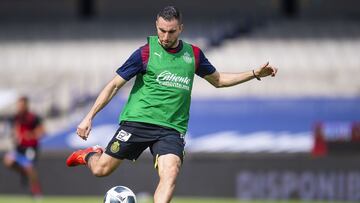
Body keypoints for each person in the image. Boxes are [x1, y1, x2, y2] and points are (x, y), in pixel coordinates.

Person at [66, 6, 278, 203]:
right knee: (101, 170)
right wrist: (89, 117)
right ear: (156, 26)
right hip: (138, 121)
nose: (166, 37)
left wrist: (253, 74)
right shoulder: (145, 52)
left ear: (181, 29)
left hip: (171, 129)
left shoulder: (193, 54)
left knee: (171, 172)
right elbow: (113, 85)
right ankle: (90, 154)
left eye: (172, 31)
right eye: (162, 31)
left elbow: (219, 80)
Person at [3, 96, 45, 197]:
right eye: (18, 105)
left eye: (21, 105)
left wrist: (31, 134)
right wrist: (14, 135)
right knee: (8, 161)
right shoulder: (15, 118)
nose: (19, 107)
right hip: (19, 148)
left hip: (30, 148)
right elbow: (12, 130)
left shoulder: (33, 117)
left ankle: (36, 190)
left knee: (29, 168)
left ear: (26, 105)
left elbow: (42, 131)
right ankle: (24, 173)